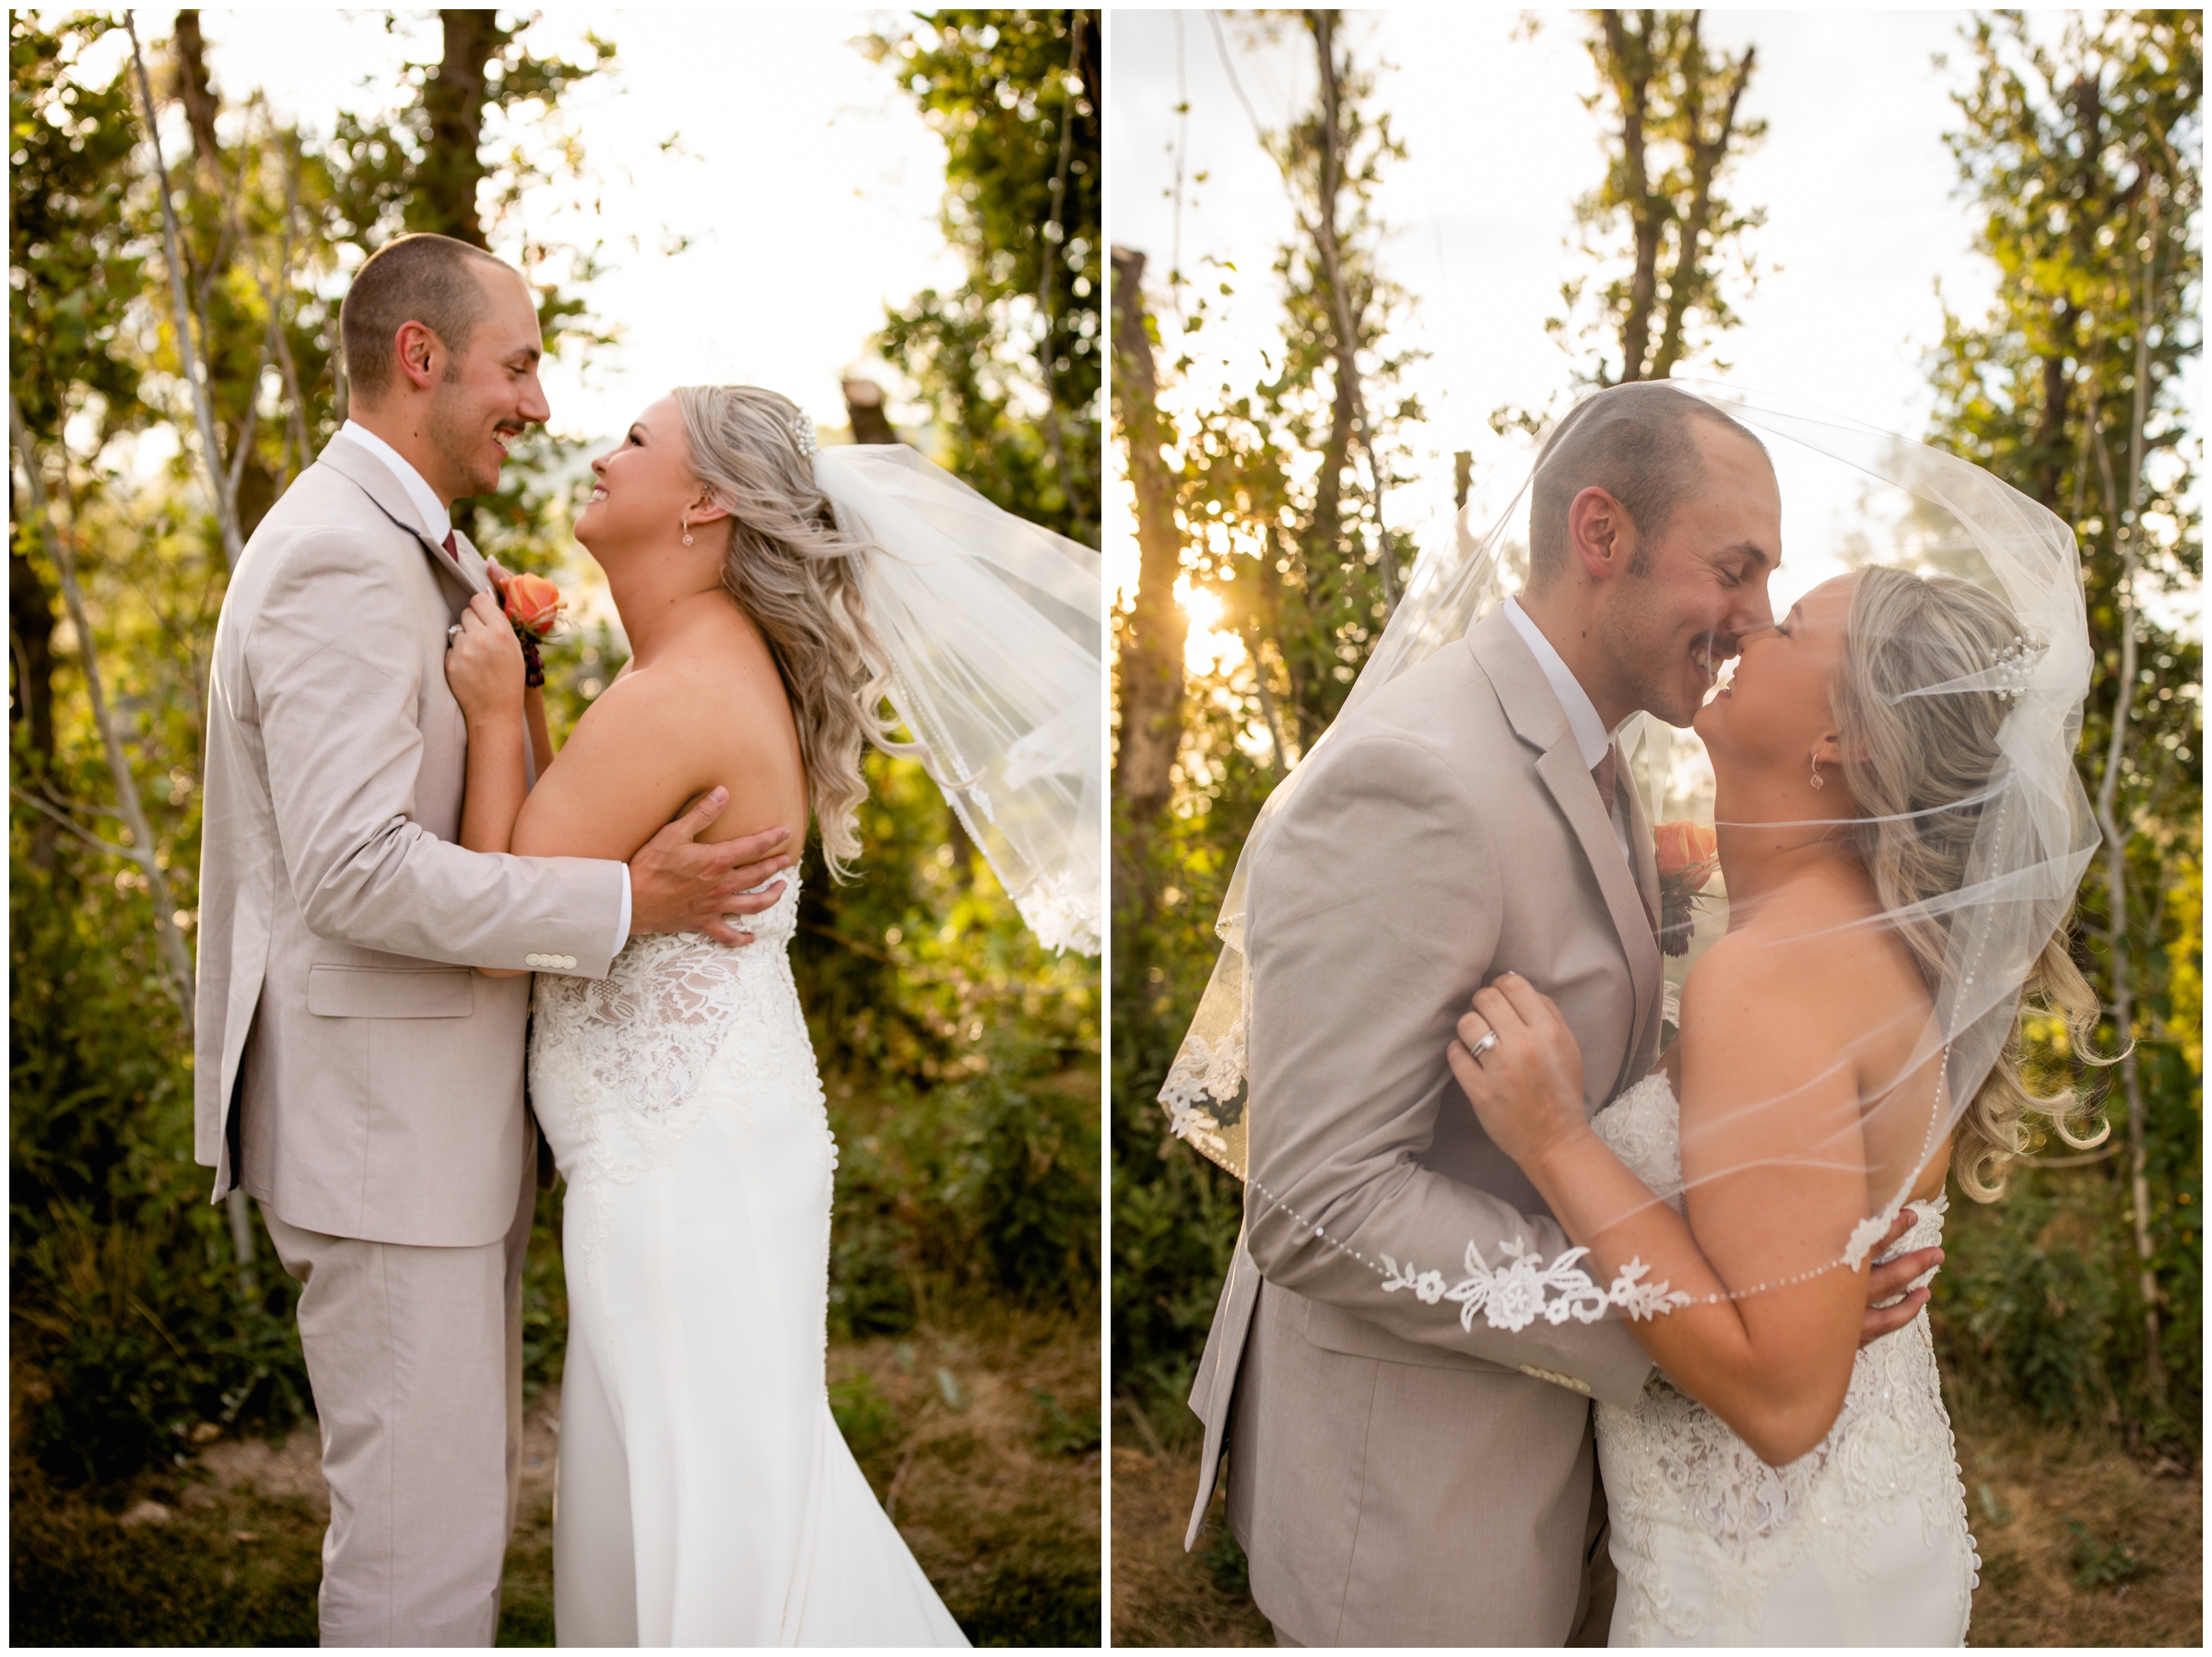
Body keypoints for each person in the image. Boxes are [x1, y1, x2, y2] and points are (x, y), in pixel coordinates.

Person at [1161, 383, 1940, 1646]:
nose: (1750, 621)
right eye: (1733, 570)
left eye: (1770, 587)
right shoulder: (1419, 773)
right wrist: (1703, 1340)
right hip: (1424, 1508)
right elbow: (1314, 1200)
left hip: (1566, 1484)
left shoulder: (1601, 750)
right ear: (1601, 535)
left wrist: (1788, 1266)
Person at [194, 232, 790, 1646]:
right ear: (422, 358)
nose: (536, 400)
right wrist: (623, 905)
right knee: (418, 1562)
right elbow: (353, 872)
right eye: (515, 365)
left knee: (445, 1532)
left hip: (426, 1134)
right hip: (383, 1144)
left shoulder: (407, 542)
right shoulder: (338, 555)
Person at [441, 382, 1099, 1645]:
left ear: (704, 502)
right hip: (698, 1152)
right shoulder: (689, 668)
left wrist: (484, 713)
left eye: (633, 441)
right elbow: (564, 863)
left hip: (678, 1170)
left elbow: (504, 922)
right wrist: (524, 692)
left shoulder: (680, 688)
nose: (596, 452)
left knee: (723, 1515)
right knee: (723, 1494)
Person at [1450, 563, 2101, 1644]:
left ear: (1840, 739)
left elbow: (1785, 1403)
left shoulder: (1775, 974)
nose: (1750, 620)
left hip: (1762, 1586)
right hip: (1844, 1544)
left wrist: (1558, 1140)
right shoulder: (1855, 936)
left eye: (1790, 625)